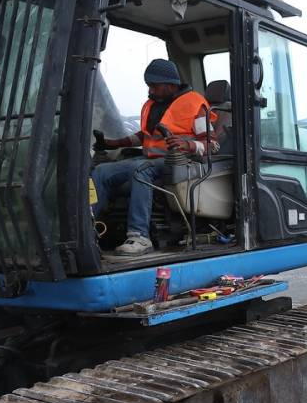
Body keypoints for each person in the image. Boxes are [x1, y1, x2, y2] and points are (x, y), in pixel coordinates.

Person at [91, 59, 215, 256]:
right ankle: (88, 226)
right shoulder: (152, 104)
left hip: (180, 161)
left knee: (141, 170)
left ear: (171, 85)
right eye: (149, 86)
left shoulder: (195, 105)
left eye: (154, 86)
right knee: (101, 171)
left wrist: (187, 145)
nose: (150, 91)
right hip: (149, 158)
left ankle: (139, 236)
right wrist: (114, 143)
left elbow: (211, 144)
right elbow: (144, 136)